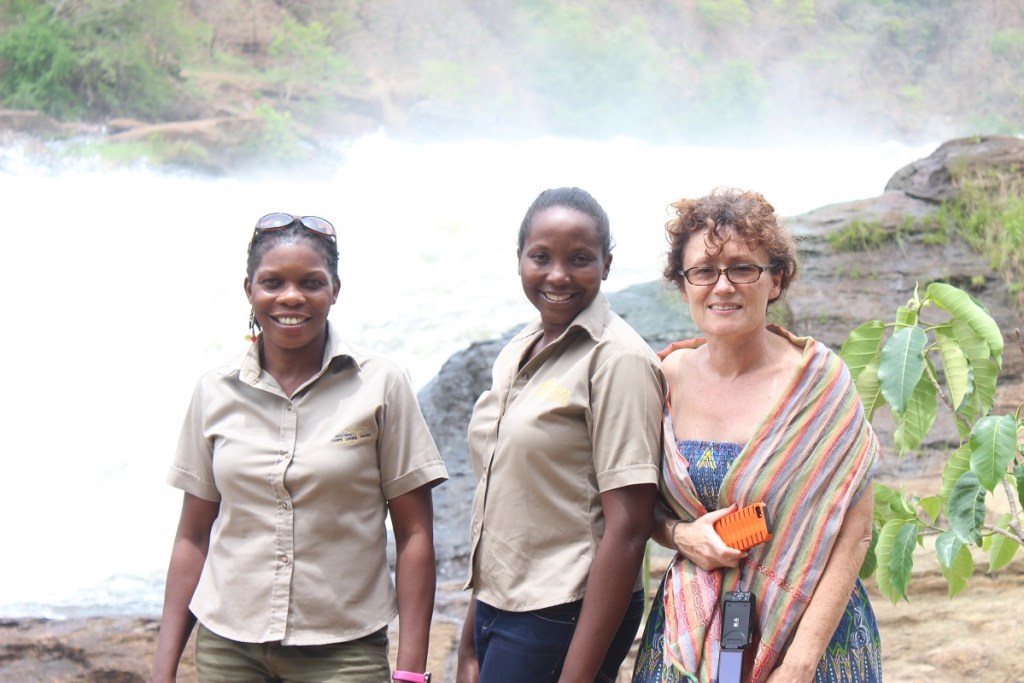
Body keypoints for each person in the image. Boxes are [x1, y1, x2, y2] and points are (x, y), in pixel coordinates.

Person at [151, 213, 448, 683]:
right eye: (273, 282)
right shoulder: (214, 391)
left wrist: (410, 671)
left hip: (344, 651)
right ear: (249, 289)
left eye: (311, 283)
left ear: (335, 290)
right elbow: (193, 536)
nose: (291, 297)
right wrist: (163, 668)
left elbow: (414, 536)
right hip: (229, 650)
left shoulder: (380, 385)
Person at [631, 188, 883, 683]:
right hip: (691, 634)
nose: (722, 286)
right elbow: (633, 507)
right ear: (684, 287)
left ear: (776, 281)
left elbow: (857, 534)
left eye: (743, 267)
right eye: (704, 270)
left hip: (813, 639)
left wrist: (800, 663)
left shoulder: (819, 385)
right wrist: (681, 536)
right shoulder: (659, 381)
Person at [455, 187, 667, 683]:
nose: (557, 276)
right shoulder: (518, 350)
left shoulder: (618, 361)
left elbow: (630, 527)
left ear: (606, 265)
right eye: (541, 257)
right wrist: (471, 636)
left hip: (564, 612)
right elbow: (504, 503)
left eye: (579, 259)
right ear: (520, 260)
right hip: (501, 604)